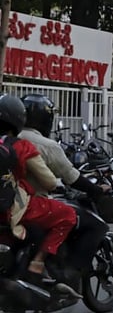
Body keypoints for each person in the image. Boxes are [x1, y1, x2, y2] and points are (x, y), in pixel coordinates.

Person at [19, 93, 113, 269]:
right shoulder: (43, 145)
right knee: (84, 221)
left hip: (10, 202)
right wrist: (97, 190)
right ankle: (69, 270)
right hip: (30, 204)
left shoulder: (8, 140)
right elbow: (65, 178)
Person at [0, 94, 78, 287]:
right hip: (13, 209)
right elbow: (49, 182)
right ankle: (38, 261)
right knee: (68, 214)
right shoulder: (22, 146)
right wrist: (58, 184)